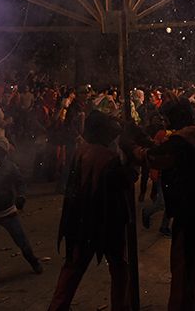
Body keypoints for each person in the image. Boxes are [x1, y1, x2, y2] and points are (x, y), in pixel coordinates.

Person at [127, 97, 195, 311]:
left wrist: (132, 146)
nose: (166, 123)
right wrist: (144, 139)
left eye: (168, 118)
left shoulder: (183, 141)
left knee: (184, 275)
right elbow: (164, 148)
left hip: (191, 218)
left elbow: (154, 158)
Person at [48, 111, 130, 311]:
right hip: (104, 223)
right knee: (120, 268)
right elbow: (124, 183)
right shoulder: (108, 158)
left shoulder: (80, 151)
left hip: (79, 222)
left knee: (72, 269)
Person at [0, 134, 43, 284]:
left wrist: (21, 197)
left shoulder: (10, 167)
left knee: (22, 242)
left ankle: (34, 262)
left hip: (7, 212)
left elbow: (21, 184)